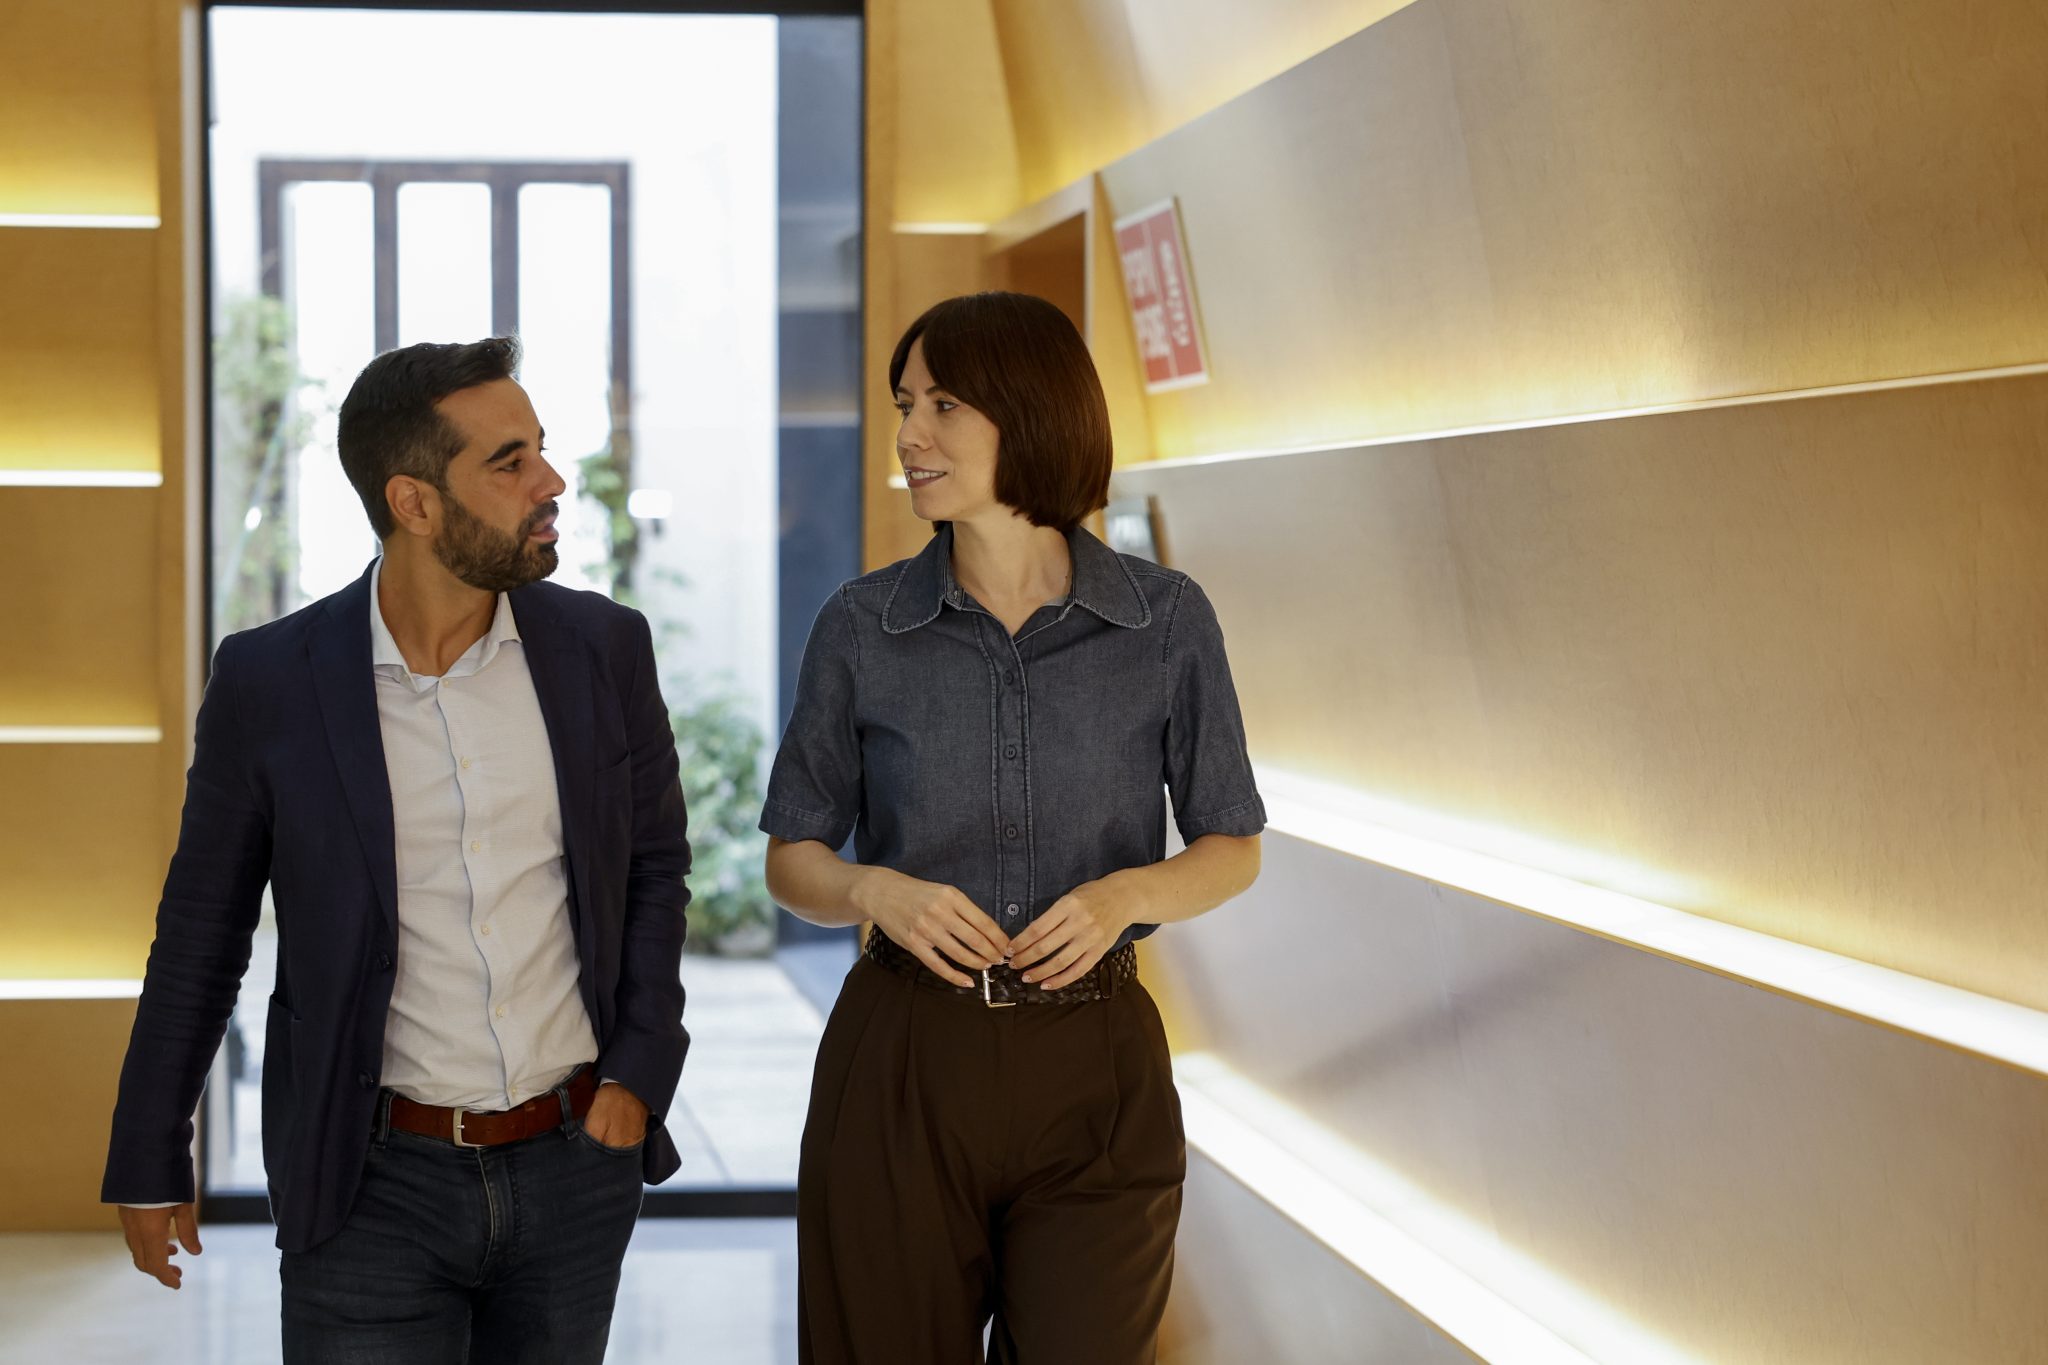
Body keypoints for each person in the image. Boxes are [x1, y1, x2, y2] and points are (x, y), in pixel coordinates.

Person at [102, 337, 692, 1365]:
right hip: (366, 1179)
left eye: (541, 448)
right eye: (509, 462)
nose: (550, 482)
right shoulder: (270, 681)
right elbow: (202, 930)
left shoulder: (604, 648)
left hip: (573, 1167)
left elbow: (653, 869)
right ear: (413, 502)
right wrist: (151, 1146)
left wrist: (637, 1074)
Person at [761, 291, 1264, 1364]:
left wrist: (1125, 896)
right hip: (903, 1059)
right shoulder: (861, 625)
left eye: (943, 404)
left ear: (1032, 411)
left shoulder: (1164, 620)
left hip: (1097, 1063)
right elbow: (791, 859)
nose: (910, 434)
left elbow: (1231, 844)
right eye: (905, 403)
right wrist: (869, 889)